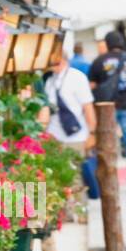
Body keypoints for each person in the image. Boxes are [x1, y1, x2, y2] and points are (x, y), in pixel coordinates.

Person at [87, 30, 126, 190]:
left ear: (107, 44)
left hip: (106, 107)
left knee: (107, 143)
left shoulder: (98, 61)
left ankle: (109, 180)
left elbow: (91, 87)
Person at [40, 51, 100, 199]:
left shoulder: (77, 77)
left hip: (76, 136)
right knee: (59, 175)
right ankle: (65, 211)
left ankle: (79, 212)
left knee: (75, 175)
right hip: (54, 135)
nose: (53, 65)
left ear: (64, 60)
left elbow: (88, 108)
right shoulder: (50, 81)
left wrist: (92, 134)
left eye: (56, 61)